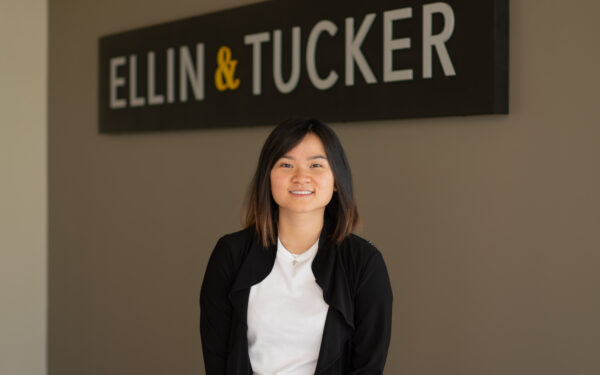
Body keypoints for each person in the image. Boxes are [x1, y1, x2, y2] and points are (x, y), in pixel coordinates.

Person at [200, 118, 393, 375]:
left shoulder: (364, 263)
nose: (301, 177)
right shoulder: (231, 254)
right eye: (286, 164)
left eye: (316, 165)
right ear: (268, 177)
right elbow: (217, 359)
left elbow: (368, 366)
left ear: (336, 179)